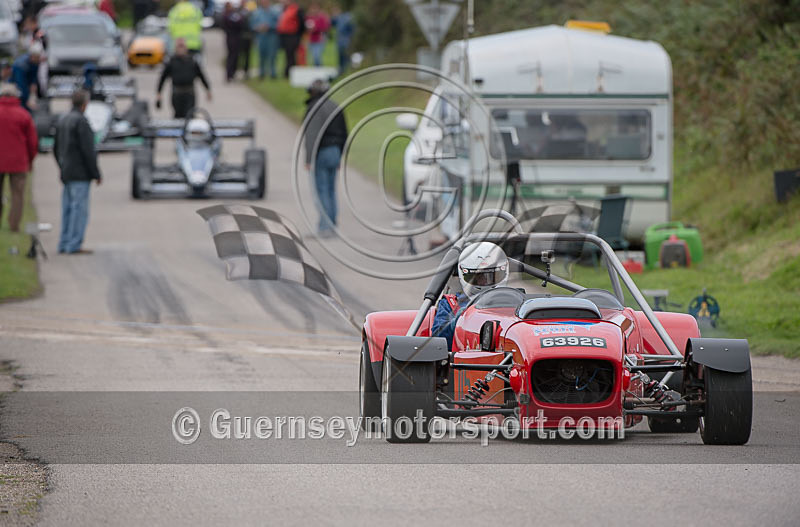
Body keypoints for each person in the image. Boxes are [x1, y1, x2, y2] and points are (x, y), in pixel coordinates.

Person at [432, 242, 509, 350]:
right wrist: (462, 317)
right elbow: (438, 342)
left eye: (491, 276)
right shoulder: (451, 304)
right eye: (478, 277)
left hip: (506, 360)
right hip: (464, 360)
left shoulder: (514, 301)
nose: (485, 282)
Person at [53, 89, 102, 255]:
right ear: (85, 104)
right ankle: (74, 244)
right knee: (79, 210)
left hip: (66, 171)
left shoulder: (63, 119)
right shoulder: (81, 122)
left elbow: (55, 147)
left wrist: (61, 166)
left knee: (67, 209)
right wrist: (96, 173)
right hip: (80, 173)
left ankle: (64, 242)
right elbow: (88, 151)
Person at [303, 79, 347, 236]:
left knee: (321, 190)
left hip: (321, 152)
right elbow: (344, 133)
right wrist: (340, 156)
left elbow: (311, 135)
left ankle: (324, 227)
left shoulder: (314, 108)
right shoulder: (336, 106)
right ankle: (332, 225)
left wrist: (308, 159)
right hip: (335, 151)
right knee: (330, 190)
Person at [0, 84, 38, 233]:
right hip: (18, 161)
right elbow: (32, 142)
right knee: (17, 195)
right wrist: (30, 160)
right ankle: (14, 225)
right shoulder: (23, 114)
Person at [156, 38, 212, 118]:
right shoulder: (171, 61)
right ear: (176, 48)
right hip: (176, 93)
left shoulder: (192, 61)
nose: (181, 48)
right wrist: (159, 93)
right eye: (179, 46)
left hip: (189, 93)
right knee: (178, 115)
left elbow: (201, 76)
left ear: (186, 47)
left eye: (182, 46)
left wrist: (207, 90)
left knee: (189, 115)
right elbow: (163, 78)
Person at [250, 0, 282, 79]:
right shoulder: (257, 12)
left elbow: (279, 23)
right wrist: (257, 27)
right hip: (261, 36)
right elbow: (252, 24)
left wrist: (269, 26)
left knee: (272, 55)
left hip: (272, 36)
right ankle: (262, 73)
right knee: (261, 55)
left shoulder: (275, 12)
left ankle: (273, 73)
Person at [11, 41, 43, 112]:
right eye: (37, 57)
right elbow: (21, 84)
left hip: (25, 85)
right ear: (32, 56)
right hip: (15, 87)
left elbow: (34, 78)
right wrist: (28, 99)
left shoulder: (35, 62)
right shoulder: (21, 65)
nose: (39, 60)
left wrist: (33, 89)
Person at [276, 0, 304, 78]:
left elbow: (301, 24)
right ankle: (287, 72)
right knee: (288, 55)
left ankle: (289, 73)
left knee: (291, 56)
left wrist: (298, 35)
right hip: (285, 36)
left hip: (293, 36)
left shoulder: (297, 10)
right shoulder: (284, 10)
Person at [221, 2, 247, 82]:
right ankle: (230, 75)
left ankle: (231, 74)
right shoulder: (229, 15)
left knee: (234, 57)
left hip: (233, 38)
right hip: (232, 38)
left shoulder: (229, 15)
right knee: (232, 57)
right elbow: (240, 22)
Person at [331, 5, 353, 75]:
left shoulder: (348, 17)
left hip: (346, 40)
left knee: (345, 56)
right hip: (340, 40)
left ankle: (345, 70)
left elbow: (351, 29)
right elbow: (332, 23)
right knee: (340, 56)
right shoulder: (338, 17)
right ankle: (342, 71)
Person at [305, 2, 329, 67]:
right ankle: (316, 71)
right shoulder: (308, 17)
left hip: (319, 39)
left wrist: (315, 29)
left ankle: (319, 70)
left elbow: (325, 28)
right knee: (313, 56)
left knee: (317, 56)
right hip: (311, 39)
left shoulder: (321, 17)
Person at [239, 2, 255, 79]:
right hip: (240, 38)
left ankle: (246, 71)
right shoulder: (238, 12)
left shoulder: (250, 12)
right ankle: (238, 70)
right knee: (239, 55)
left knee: (247, 55)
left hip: (248, 37)